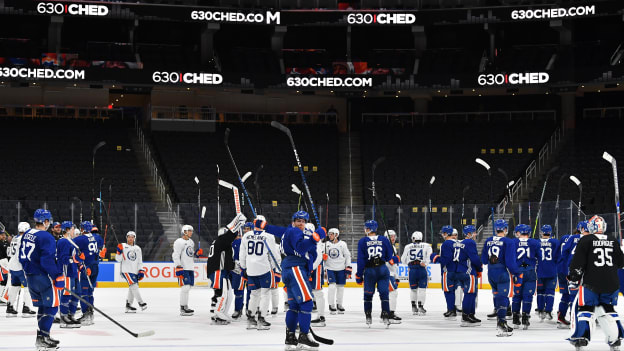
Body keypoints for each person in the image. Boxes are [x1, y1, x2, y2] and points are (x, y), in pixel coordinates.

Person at [255, 210, 326, 350]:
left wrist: (262, 225)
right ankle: (304, 336)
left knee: (293, 307)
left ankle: (290, 338)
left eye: (303, 221)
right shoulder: (295, 232)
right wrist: (315, 238)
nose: (301, 223)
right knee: (306, 303)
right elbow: (300, 249)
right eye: (298, 220)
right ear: (293, 222)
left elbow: (273, 229)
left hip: (289, 269)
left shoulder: (288, 231)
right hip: (296, 268)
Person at [567, 215, 624, 350]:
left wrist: (573, 278)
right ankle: (615, 339)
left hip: (590, 282)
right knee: (608, 310)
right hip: (611, 283)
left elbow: (578, 262)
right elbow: (621, 263)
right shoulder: (613, 240)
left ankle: (581, 338)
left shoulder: (586, 240)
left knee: (585, 310)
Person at [19, 209, 64, 350]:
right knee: (52, 307)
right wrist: (57, 276)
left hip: (30, 276)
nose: (49, 223)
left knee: (43, 306)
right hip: (44, 277)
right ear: (45, 221)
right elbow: (47, 260)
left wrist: (29, 271)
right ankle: (43, 338)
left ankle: (42, 337)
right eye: (48, 221)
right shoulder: (46, 236)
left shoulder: (27, 233)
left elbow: (22, 257)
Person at [240, 217, 280, 330]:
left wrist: (243, 268)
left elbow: (242, 254)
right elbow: (274, 255)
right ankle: (261, 319)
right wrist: (274, 268)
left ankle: (251, 319)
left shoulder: (246, 236)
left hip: (251, 269)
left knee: (254, 294)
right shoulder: (269, 236)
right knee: (265, 294)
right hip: (264, 269)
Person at [481, 219, 518, 336]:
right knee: (503, 297)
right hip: (502, 272)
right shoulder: (508, 241)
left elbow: (484, 260)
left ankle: (501, 321)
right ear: (505, 229)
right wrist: (516, 273)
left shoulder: (488, 240)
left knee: (497, 295)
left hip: (491, 272)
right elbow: (510, 262)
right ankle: (501, 324)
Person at [206, 214, 245, 325]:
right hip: (218, 271)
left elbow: (227, 261)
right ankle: (219, 313)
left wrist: (234, 266)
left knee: (229, 294)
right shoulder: (221, 241)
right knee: (224, 294)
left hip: (222, 271)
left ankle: (222, 312)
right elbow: (231, 233)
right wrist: (238, 222)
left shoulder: (222, 245)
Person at [356, 220, 394, 327]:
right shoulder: (384, 239)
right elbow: (389, 256)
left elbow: (361, 260)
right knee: (384, 293)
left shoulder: (363, 241)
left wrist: (359, 275)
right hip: (382, 268)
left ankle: (368, 316)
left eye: (366, 228)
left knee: (368, 294)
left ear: (369, 229)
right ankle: (386, 314)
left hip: (370, 270)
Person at [72, 221, 103, 326]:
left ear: (82, 229)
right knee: (90, 291)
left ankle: (86, 315)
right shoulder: (97, 237)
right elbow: (101, 245)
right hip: (95, 267)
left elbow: (70, 243)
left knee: (84, 292)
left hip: (87, 268)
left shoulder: (81, 239)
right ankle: (91, 313)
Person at [511, 224, 540, 330]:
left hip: (518, 272)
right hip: (530, 271)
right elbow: (539, 257)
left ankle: (515, 317)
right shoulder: (535, 242)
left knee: (517, 296)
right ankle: (525, 317)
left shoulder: (513, 242)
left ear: (519, 232)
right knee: (528, 296)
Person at [5, 222, 36, 318]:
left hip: (12, 266)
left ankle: (10, 308)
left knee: (14, 286)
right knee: (28, 287)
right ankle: (26, 308)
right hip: (21, 267)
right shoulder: (24, 239)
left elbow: (9, 253)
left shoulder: (14, 238)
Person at [56, 221, 81, 328]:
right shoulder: (63, 242)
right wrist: (75, 259)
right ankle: (64, 316)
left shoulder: (71, 241)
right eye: (71, 228)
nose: (73, 230)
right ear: (67, 229)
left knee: (77, 294)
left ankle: (71, 315)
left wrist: (79, 263)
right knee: (67, 295)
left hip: (73, 271)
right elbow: (64, 259)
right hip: (66, 272)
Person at [456, 225, 483, 326]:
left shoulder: (460, 242)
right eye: (474, 232)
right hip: (468, 271)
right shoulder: (470, 242)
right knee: (470, 294)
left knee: (470, 293)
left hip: (460, 270)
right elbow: (474, 258)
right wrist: (480, 268)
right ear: (468, 234)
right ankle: (466, 315)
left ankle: (470, 314)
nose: (476, 234)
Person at [401, 231, 431, 315]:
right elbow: (429, 257)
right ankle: (421, 307)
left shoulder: (408, 246)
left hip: (412, 269)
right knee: (422, 289)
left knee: (413, 289)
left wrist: (409, 264)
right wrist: (425, 263)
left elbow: (403, 259)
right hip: (422, 269)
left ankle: (414, 307)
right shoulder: (427, 246)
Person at [116, 231, 146, 313]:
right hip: (126, 270)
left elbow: (140, 261)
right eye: (129, 236)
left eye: (132, 237)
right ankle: (141, 303)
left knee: (132, 287)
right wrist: (119, 252)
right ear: (126, 237)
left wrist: (141, 270)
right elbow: (118, 259)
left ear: (134, 238)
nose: (130, 238)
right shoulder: (122, 246)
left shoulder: (138, 248)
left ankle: (128, 305)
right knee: (134, 285)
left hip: (134, 271)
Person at [434, 225, 459, 319]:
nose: (442, 235)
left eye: (443, 233)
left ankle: (451, 310)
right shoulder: (458, 243)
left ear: (446, 233)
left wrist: (436, 258)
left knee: (448, 291)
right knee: (453, 291)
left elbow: (446, 259)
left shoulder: (446, 244)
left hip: (448, 270)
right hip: (457, 270)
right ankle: (453, 309)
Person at [324, 228, 351, 315]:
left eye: (331, 234)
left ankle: (339, 304)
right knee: (332, 287)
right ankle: (331, 305)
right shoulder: (326, 244)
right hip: (330, 268)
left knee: (340, 288)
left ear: (336, 235)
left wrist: (348, 268)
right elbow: (321, 256)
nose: (329, 235)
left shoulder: (342, 244)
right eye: (329, 234)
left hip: (341, 269)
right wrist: (324, 267)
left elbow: (347, 256)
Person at [536, 224, 559, 321]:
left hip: (540, 270)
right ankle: (548, 311)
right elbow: (558, 257)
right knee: (550, 292)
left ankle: (540, 311)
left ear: (541, 232)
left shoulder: (536, 242)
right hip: (551, 270)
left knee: (540, 292)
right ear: (550, 233)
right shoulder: (555, 242)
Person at [173, 224, 197, 316]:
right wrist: (178, 266)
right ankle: (182, 308)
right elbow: (175, 255)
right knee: (185, 287)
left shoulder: (191, 242)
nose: (191, 232)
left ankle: (185, 306)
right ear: (184, 231)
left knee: (188, 288)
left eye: (191, 231)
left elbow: (190, 254)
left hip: (190, 268)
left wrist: (196, 254)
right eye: (189, 230)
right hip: (183, 268)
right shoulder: (179, 242)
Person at [309, 223, 327, 327]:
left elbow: (318, 257)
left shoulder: (315, 240)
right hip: (313, 268)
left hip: (315, 269)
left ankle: (321, 317)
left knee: (317, 292)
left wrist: (310, 269)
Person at [556, 227, 574, 329]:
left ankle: (561, 316)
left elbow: (557, 253)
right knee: (574, 295)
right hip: (571, 270)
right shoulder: (580, 239)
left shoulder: (564, 238)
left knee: (566, 295)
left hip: (561, 269)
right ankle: (574, 318)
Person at [230, 223, 248, 320]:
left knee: (239, 290)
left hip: (240, 269)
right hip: (230, 269)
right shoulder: (229, 242)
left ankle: (238, 309)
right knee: (230, 291)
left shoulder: (243, 241)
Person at [384, 229, 402, 324]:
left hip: (390, 274)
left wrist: (396, 276)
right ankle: (389, 314)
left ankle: (386, 313)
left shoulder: (392, 247)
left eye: (394, 236)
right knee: (392, 293)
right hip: (387, 273)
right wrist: (393, 259)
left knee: (390, 294)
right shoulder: (386, 246)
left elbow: (393, 265)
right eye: (391, 236)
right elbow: (388, 261)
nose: (393, 238)